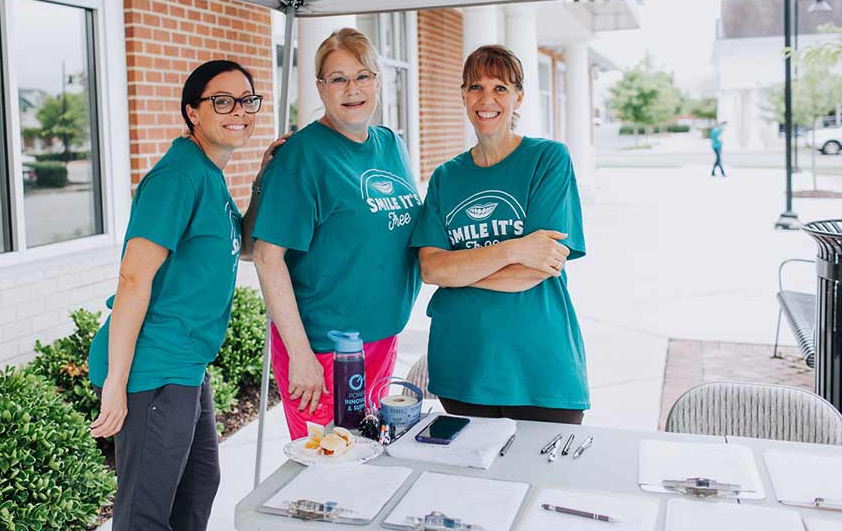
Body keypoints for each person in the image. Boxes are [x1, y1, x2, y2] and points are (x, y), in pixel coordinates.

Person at [86, 60, 284, 531]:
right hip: (151, 367)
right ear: (193, 112)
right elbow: (134, 278)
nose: (239, 110)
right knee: (144, 512)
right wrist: (117, 382)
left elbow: (247, 246)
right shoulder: (177, 178)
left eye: (247, 100)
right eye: (222, 101)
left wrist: (261, 181)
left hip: (186, 365)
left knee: (198, 485)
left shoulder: (208, 174)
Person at [248, 28, 422, 439]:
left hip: (381, 338)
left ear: (379, 81)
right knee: (329, 470)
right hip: (325, 351)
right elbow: (266, 256)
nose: (352, 89)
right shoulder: (302, 155)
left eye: (363, 76)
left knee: (372, 457)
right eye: (338, 78)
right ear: (320, 87)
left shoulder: (391, 145)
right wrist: (301, 356)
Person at [410, 45, 589, 424]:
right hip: (463, 364)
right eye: (475, 87)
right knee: (473, 484)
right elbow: (431, 270)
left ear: (519, 96)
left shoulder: (548, 160)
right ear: (462, 95)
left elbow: (539, 267)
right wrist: (515, 248)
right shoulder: (446, 177)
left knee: (539, 480)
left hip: (539, 366)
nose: (486, 99)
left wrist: (461, 272)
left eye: (500, 88)